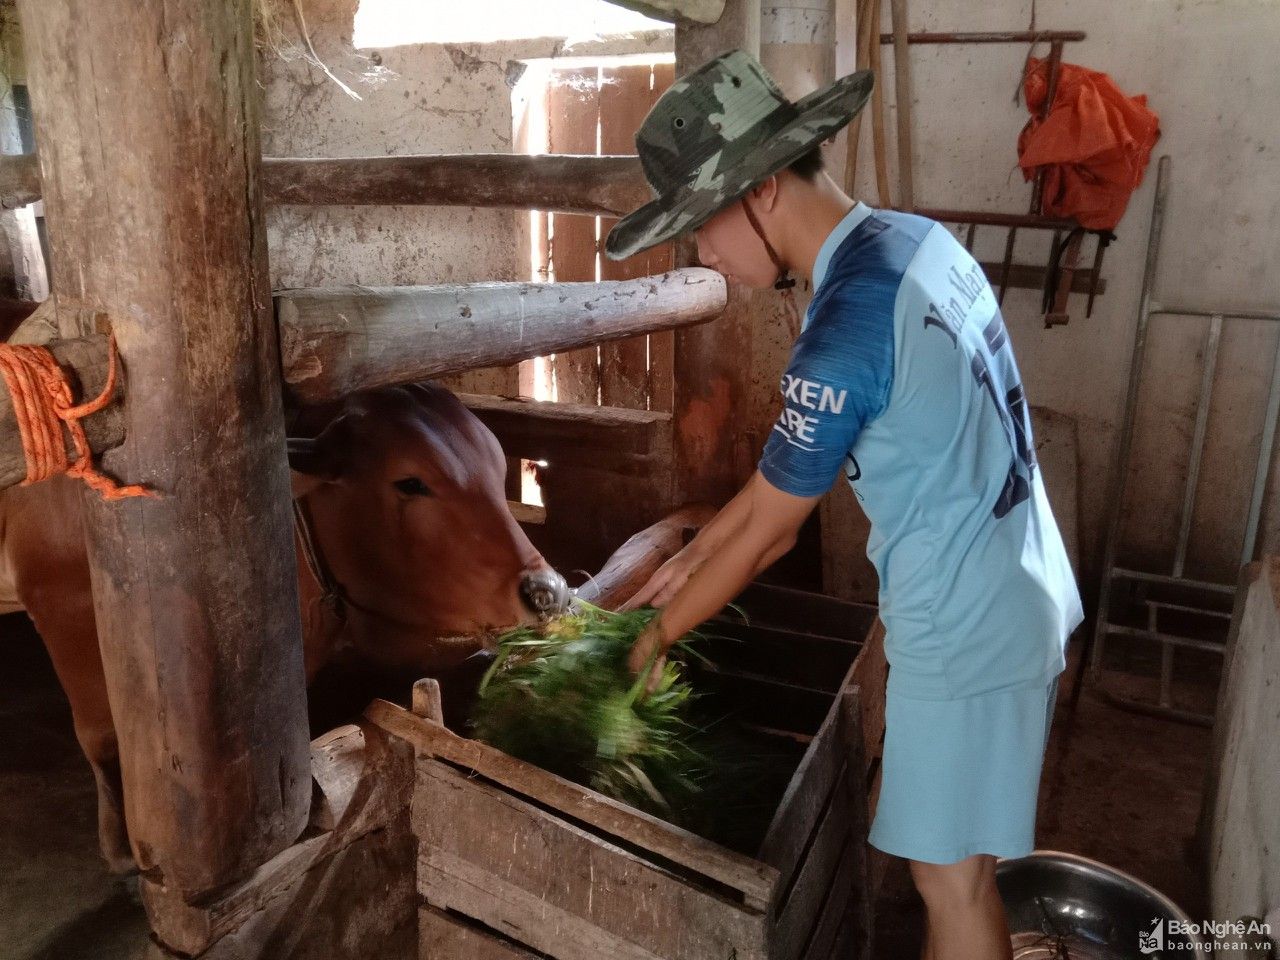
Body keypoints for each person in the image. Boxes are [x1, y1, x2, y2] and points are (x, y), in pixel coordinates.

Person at [604, 50, 1083, 960]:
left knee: (951, 885)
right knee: (962, 870)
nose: (702, 251)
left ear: (766, 189)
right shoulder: (912, 245)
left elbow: (773, 538)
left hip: (963, 619)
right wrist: (682, 564)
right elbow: (775, 487)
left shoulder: (843, 333)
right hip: (1018, 578)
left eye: (704, 223)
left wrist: (650, 641)